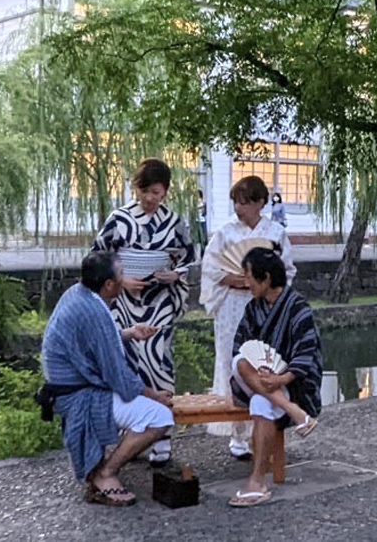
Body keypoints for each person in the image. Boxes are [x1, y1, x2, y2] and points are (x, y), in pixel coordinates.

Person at [39, 251, 174, 507]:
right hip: (78, 396)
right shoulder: (92, 310)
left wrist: (129, 333)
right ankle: (106, 473)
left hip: (72, 388)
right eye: (121, 274)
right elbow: (116, 374)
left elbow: (95, 341)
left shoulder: (78, 294)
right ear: (109, 284)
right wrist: (154, 395)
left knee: (148, 408)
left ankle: (103, 468)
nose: (125, 278)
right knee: (159, 416)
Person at [90, 157, 198, 465]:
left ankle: (161, 436)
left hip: (160, 300)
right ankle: (131, 434)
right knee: (126, 362)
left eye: (156, 192)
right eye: (144, 191)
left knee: (158, 360)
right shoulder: (120, 219)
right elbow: (97, 256)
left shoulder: (174, 222)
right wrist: (120, 279)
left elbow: (189, 258)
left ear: (166, 192)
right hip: (124, 300)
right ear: (135, 189)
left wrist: (175, 275)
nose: (149, 198)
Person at [199, 175, 296, 461]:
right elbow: (210, 266)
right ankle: (238, 434)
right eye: (236, 202)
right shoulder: (225, 233)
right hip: (232, 303)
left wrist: (266, 286)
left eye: (244, 202)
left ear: (260, 203)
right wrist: (230, 278)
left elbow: (287, 271)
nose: (239, 208)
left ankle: (262, 431)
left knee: (263, 362)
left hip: (262, 304)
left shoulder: (276, 233)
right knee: (233, 362)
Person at [228, 247, 323, 508]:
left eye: (249, 276)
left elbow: (307, 352)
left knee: (261, 402)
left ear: (266, 278)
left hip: (291, 383)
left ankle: (256, 482)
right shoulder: (253, 309)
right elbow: (240, 347)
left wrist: (280, 379)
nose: (246, 282)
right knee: (239, 361)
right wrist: (264, 375)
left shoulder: (298, 307)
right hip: (259, 381)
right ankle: (293, 411)